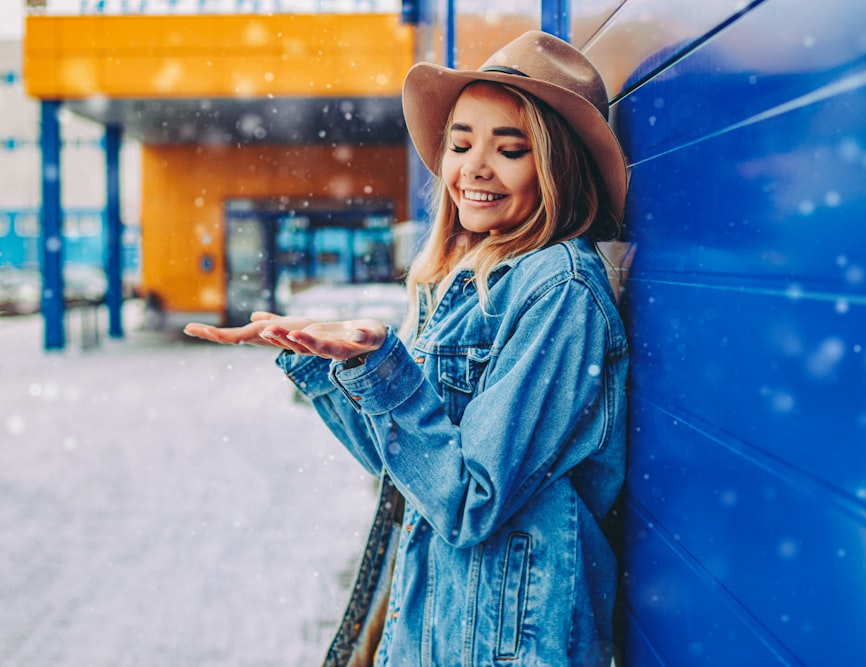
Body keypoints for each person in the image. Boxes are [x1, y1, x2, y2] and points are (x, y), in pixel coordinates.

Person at [184, 30, 629, 667]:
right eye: (460, 143)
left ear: (555, 167)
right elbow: (406, 470)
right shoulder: (463, 281)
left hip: (508, 637)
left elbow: (470, 501)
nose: (474, 167)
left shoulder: (558, 290)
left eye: (510, 149)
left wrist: (386, 374)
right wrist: (329, 362)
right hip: (442, 618)